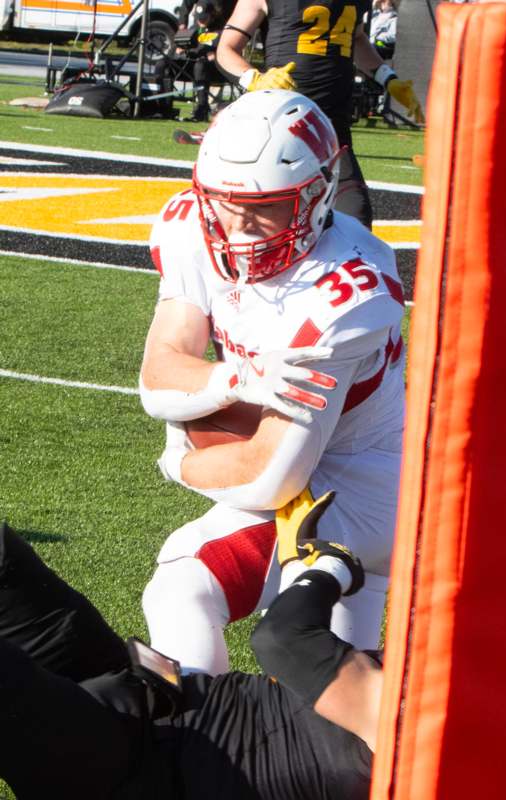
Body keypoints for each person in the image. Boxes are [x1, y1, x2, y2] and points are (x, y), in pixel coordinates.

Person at [140, 89, 405, 675]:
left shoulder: (345, 291)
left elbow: (269, 478)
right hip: (322, 469)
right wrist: (240, 376)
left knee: (185, 582)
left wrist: (179, 456)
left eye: (266, 206)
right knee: (334, 710)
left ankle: (194, 744)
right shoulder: (190, 225)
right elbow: (160, 375)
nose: (238, 225)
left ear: (316, 196)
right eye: (225, 202)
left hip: (358, 483)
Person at [0, 495, 383, 800]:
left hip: (142, 769)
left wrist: (331, 567)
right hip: (155, 699)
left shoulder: (407, 717)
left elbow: (282, 639)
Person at [214, 0, 424, 228]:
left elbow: (356, 37)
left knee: (356, 223)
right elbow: (225, 49)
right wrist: (254, 79)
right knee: (270, 227)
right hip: (280, 133)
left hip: (332, 134)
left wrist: (387, 78)